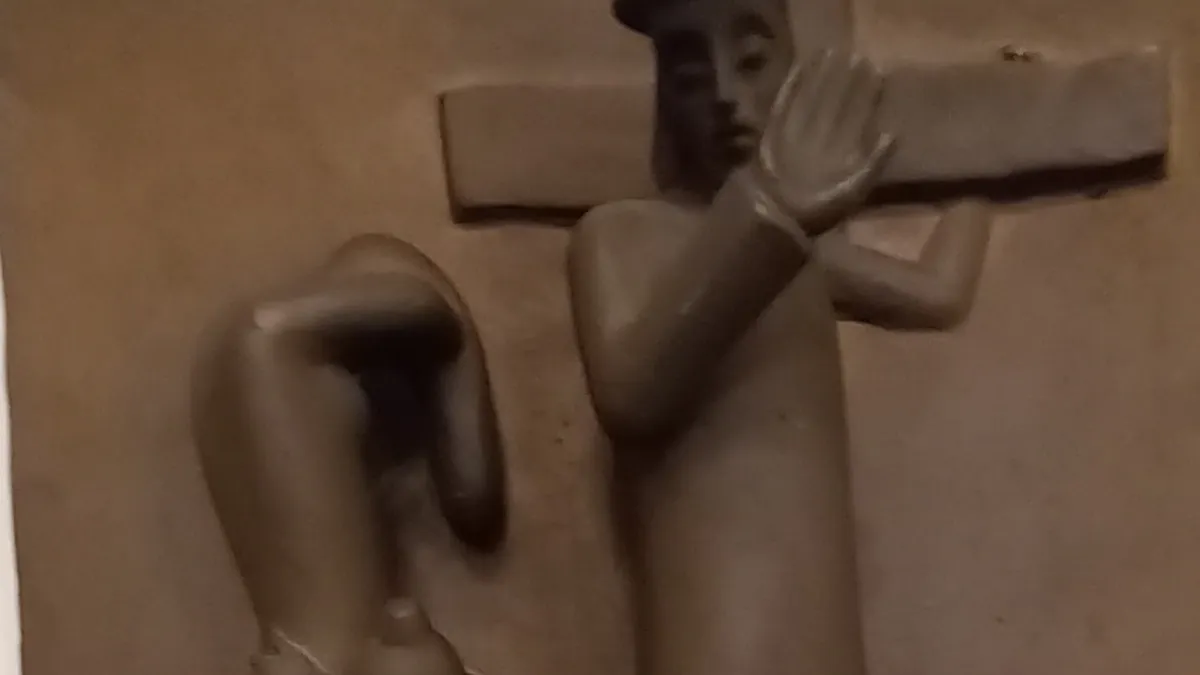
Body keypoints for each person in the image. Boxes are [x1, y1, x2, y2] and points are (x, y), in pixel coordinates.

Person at [569, 1, 992, 674]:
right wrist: (768, 207)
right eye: (689, 76)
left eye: (752, 61)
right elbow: (629, 392)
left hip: (818, 606)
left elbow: (937, 292)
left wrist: (982, 177)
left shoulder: (799, 256)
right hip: (718, 619)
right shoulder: (625, 234)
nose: (725, 96)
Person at [192, 234, 504, 675]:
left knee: (422, 311)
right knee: (418, 310)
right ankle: (433, 326)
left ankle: (436, 327)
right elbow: (408, 627)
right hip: (265, 357)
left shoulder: (334, 655)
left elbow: (407, 625)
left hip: (275, 354)